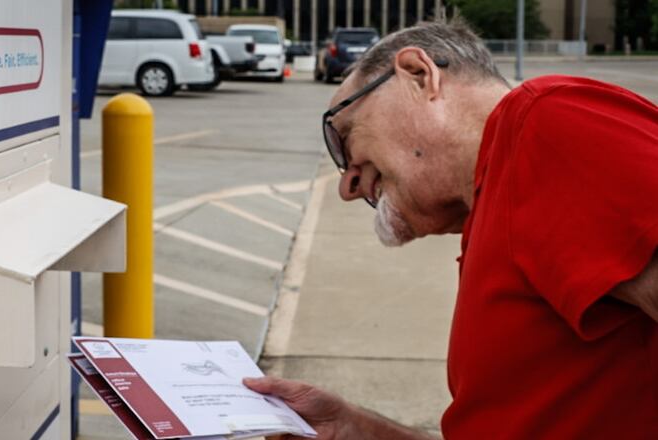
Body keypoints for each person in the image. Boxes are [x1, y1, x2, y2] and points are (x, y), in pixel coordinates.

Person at [244, 20, 658, 439]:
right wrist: (349, 429)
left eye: (343, 136)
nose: (348, 185)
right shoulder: (492, 211)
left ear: (419, 76)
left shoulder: (542, 125)